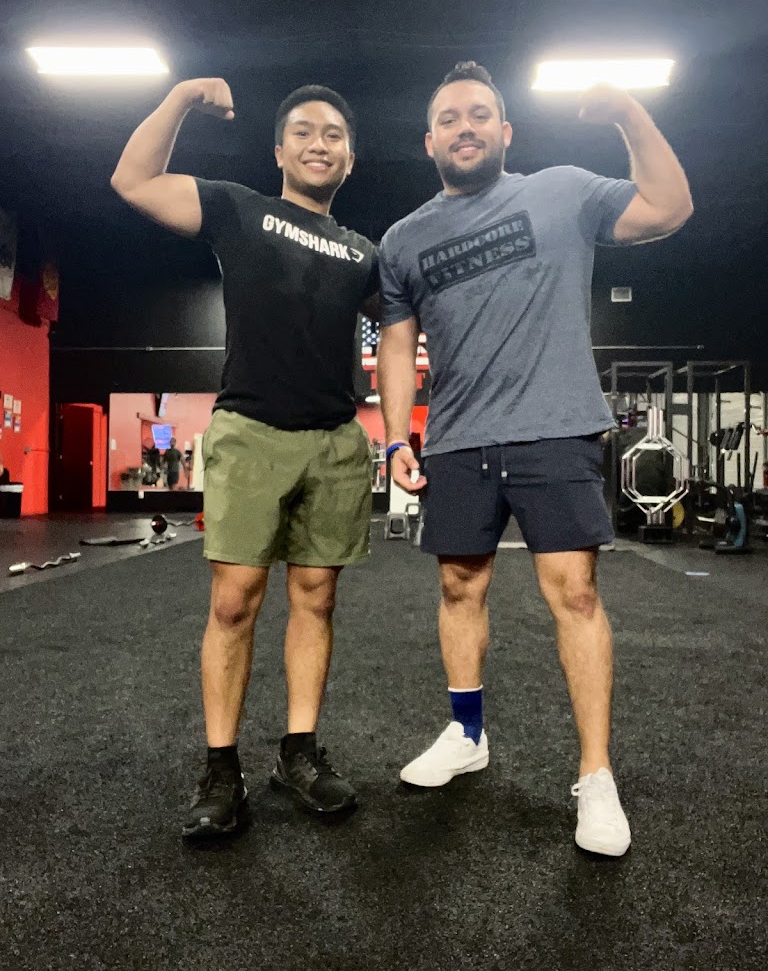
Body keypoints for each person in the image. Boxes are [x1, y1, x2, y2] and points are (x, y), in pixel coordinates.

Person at [377, 62, 693, 857]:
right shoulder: (404, 240)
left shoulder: (563, 190)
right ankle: (467, 734)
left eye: (480, 114)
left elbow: (669, 207)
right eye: (450, 118)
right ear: (429, 141)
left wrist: (627, 112)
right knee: (459, 587)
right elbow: (397, 345)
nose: (466, 127)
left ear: (506, 130)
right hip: (456, 437)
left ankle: (596, 775)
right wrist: (395, 437)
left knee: (575, 594)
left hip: (555, 429)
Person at [111, 77, 379, 837]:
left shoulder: (364, 253)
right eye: (303, 131)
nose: (319, 143)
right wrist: (178, 99)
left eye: (333, 134)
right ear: (279, 150)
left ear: (350, 158)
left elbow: (411, 322)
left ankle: (298, 753)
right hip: (250, 430)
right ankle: (221, 768)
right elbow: (133, 181)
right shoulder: (239, 209)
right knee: (233, 603)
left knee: (316, 599)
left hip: (334, 441)